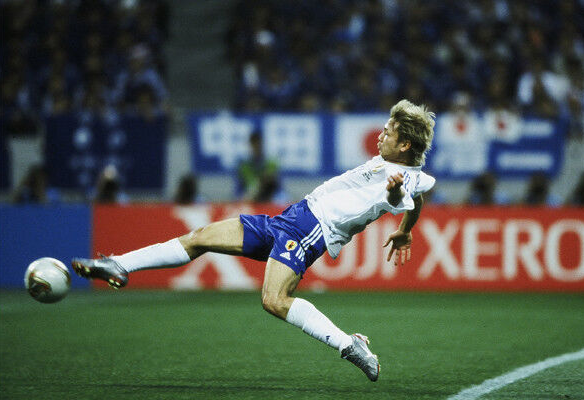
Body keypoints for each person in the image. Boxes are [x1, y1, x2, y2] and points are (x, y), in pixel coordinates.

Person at [71, 99, 436, 382]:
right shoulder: (407, 172)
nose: (380, 135)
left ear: (404, 144)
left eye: (388, 132)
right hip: (290, 219)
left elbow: (397, 196)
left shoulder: (400, 177)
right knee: (200, 237)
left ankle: (348, 345)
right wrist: (405, 229)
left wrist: (394, 196)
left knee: (274, 300)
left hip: (310, 231)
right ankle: (119, 265)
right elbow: (416, 199)